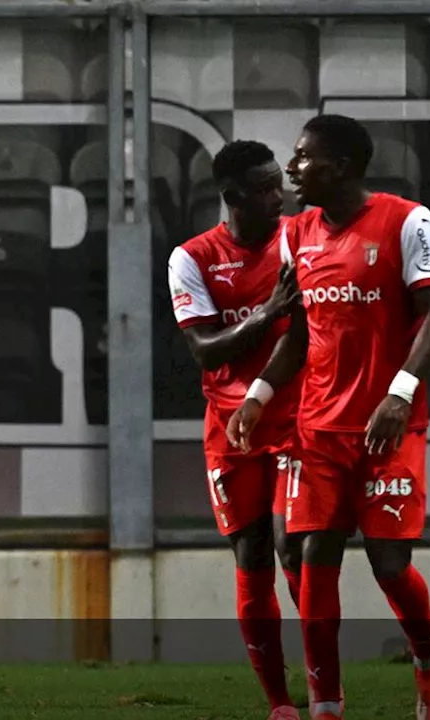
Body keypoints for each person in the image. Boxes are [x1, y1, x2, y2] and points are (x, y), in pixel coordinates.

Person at [228, 114, 430, 720]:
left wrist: (400, 392)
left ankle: (429, 657)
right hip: (318, 431)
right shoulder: (296, 234)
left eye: (304, 158)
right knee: (310, 561)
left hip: (389, 425)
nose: (293, 169)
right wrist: (258, 396)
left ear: (343, 166)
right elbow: (299, 334)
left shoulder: (407, 220)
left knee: (389, 566)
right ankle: (326, 707)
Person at [167, 140, 303, 720]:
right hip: (230, 427)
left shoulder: (298, 238)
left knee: (294, 546)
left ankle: (327, 690)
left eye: (280, 183)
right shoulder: (192, 258)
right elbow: (202, 349)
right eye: (267, 188)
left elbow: (305, 333)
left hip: (296, 414)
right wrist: (267, 313)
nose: (280, 195)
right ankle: (280, 704)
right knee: (251, 553)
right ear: (232, 197)